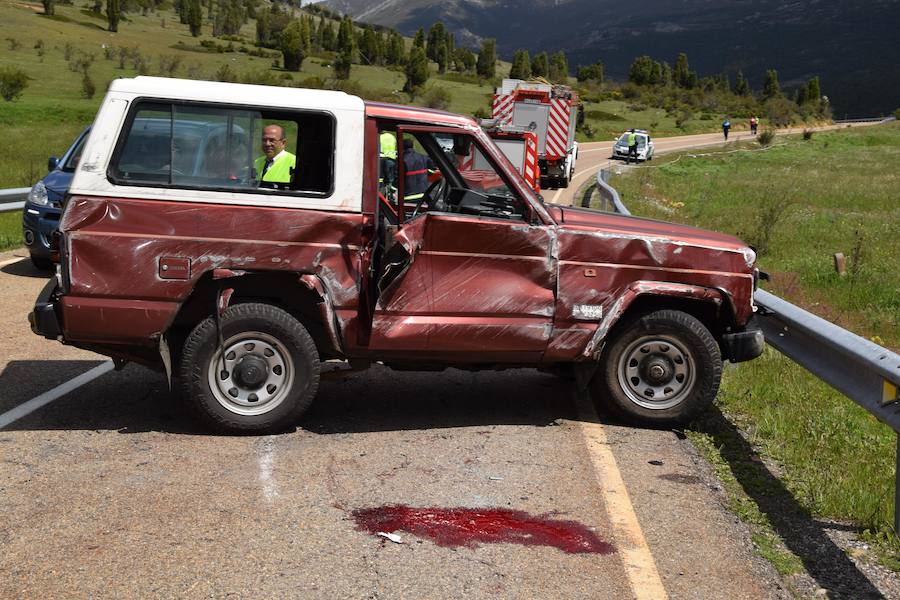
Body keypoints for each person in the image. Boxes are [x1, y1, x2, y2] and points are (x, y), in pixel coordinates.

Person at [402, 138, 436, 206]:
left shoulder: (402, 159)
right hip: (423, 194)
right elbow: (432, 169)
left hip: (408, 196)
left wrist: (392, 190)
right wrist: (425, 174)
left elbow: (398, 177)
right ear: (413, 146)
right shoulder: (423, 157)